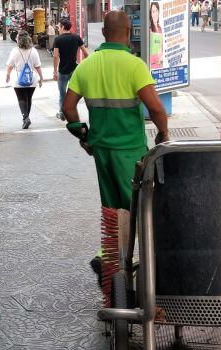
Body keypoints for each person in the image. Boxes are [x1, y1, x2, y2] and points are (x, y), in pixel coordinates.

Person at [62, 10, 169, 282]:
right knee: (138, 207)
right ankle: (125, 265)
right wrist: (164, 134)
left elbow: (68, 108)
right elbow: (156, 108)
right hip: (131, 151)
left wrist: (83, 136)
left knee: (112, 208)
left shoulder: (86, 65)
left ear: (103, 33)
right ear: (130, 32)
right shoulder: (134, 65)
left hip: (102, 151)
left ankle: (113, 266)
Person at [6, 30, 44, 129]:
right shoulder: (34, 51)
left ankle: (25, 118)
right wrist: (41, 77)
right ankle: (26, 117)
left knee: (21, 98)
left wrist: (8, 75)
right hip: (32, 79)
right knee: (28, 98)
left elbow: (10, 66)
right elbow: (38, 66)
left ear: (18, 40)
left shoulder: (15, 51)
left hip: (18, 79)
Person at [53, 19, 88, 121]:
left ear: (63, 27)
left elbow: (56, 57)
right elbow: (86, 53)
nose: (58, 29)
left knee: (62, 93)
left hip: (63, 71)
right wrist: (82, 66)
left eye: (59, 27)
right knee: (76, 93)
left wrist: (55, 71)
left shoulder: (58, 40)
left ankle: (62, 113)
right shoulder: (76, 38)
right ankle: (73, 110)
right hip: (74, 70)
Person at [149, 2, 164, 69]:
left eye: (157, 11)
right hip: (152, 65)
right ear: (150, 14)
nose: (155, 14)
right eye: (153, 11)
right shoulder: (149, 30)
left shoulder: (160, 29)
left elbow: (162, 46)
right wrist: (157, 57)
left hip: (161, 64)